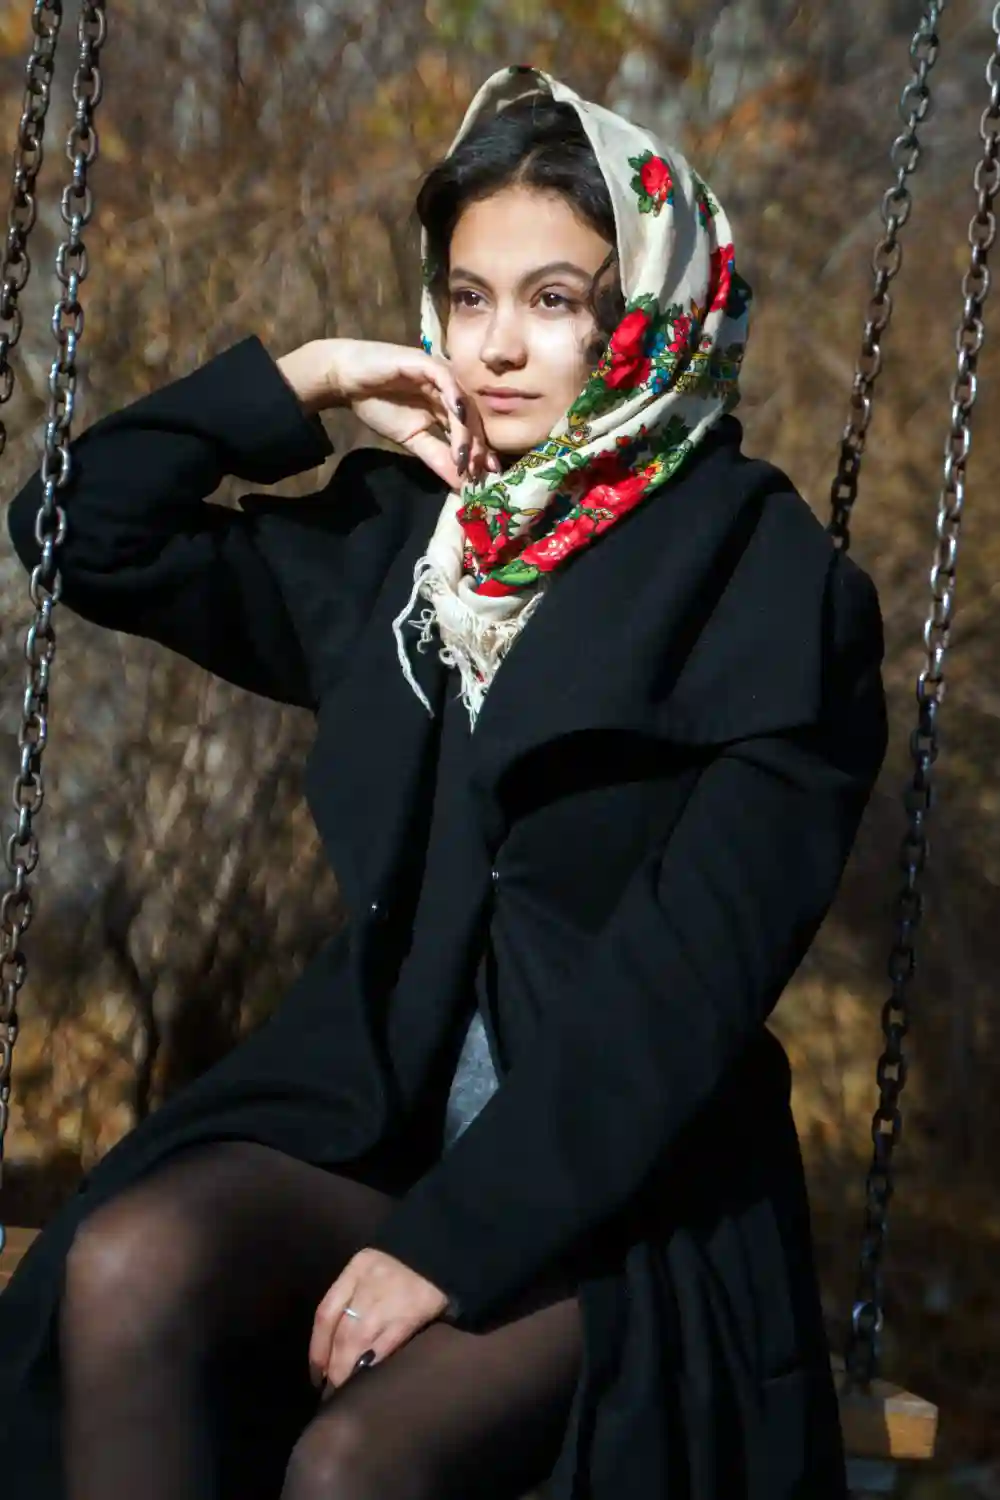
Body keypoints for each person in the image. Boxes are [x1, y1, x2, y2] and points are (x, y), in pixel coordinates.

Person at [0, 65, 887, 1500]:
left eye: (554, 299)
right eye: (468, 298)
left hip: (624, 1203)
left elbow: (680, 997)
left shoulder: (776, 595)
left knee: (356, 1467)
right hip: (377, 1129)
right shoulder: (416, 547)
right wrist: (305, 383)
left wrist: (446, 1247)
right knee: (125, 1264)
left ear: (649, 311)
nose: (497, 347)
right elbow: (77, 528)